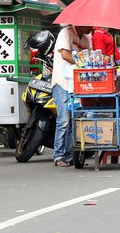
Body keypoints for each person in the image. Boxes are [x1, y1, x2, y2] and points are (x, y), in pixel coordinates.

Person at [51, 25, 91, 167]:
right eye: (89, 23)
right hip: (62, 82)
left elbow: (89, 58)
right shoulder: (65, 33)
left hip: (76, 85)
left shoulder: (85, 39)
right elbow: (65, 55)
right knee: (64, 121)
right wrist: (82, 63)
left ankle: (69, 155)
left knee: (75, 119)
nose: (91, 27)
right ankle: (58, 155)